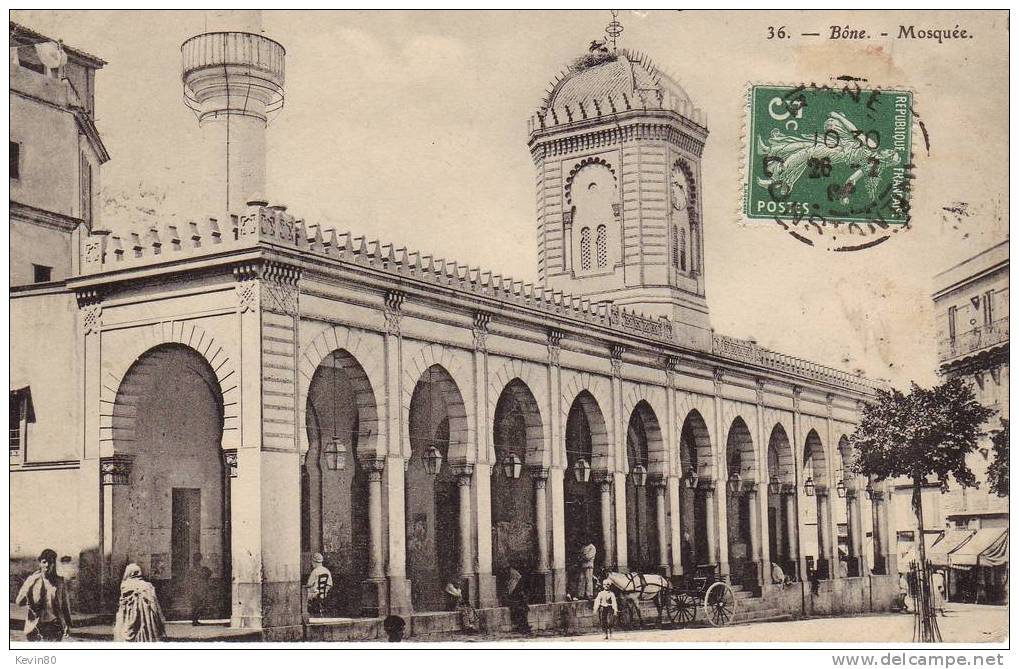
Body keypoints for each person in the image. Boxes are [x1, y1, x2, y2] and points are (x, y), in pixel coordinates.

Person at [15, 548, 73, 642]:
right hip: (35, 627)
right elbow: (19, 602)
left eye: (51, 562)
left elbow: (65, 605)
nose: (47, 565)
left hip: (54, 626)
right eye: (44, 562)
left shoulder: (59, 582)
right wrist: (29, 584)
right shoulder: (32, 580)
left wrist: (67, 624)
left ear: (54, 564)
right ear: (40, 563)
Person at [114, 563, 166, 642]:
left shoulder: (125, 585)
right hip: (147, 619)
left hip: (130, 616)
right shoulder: (148, 585)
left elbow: (123, 604)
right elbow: (154, 604)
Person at [185, 552, 212, 625]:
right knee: (198, 605)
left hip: (198, 590)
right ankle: (195, 620)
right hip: (197, 590)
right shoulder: (196, 569)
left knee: (198, 605)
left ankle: (195, 620)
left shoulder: (197, 568)